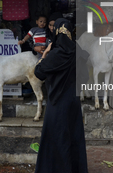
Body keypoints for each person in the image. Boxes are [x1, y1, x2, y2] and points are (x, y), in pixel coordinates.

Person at [34, 18, 88, 173]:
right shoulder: (78, 52)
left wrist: (44, 54)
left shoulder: (55, 54)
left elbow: (39, 73)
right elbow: (85, 77)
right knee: (73, 137)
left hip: (57, 104)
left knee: (55, 138)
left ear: (56, 32)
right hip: (73, 102)